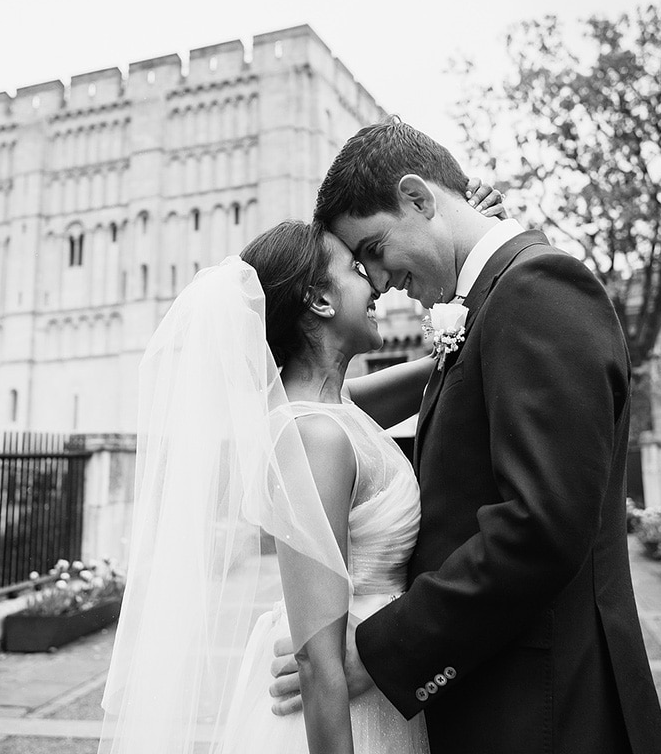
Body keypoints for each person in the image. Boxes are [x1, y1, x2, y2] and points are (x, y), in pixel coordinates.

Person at [269, 118, 661, 754]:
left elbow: (539, 527)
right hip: (500, 698)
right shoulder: (494, 304)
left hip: (544, 711)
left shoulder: (536, 290)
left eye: (374, 250)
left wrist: (381, 654)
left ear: (419, 199)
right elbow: (332, 410)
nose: (377, 279)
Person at [100, 203, 482, 754]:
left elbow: (430, 374)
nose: (376, 284)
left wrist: (470, 275)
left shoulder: (334, 412)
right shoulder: (314, 437)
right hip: (345, 702)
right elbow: (315, 657)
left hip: (379, 671)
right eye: (356, 271)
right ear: (319, 300)